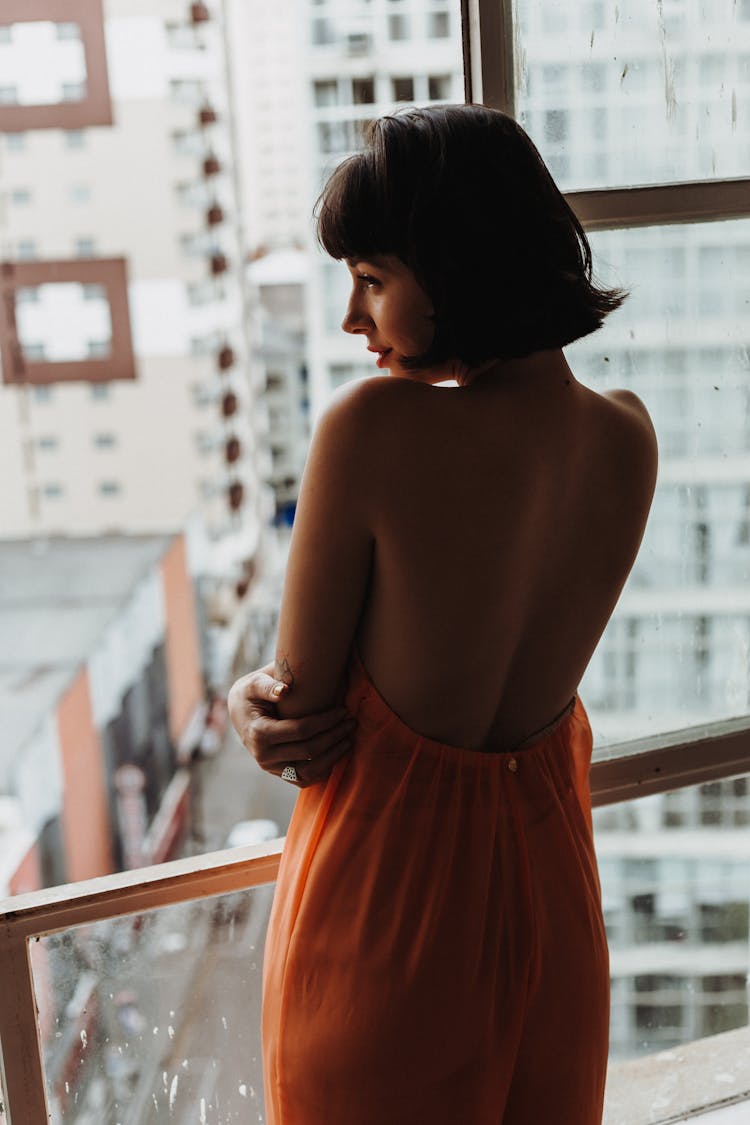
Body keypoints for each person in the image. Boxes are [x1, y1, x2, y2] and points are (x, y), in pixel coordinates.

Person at [228, 104, 657, 1125]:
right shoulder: (625, 438)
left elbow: (305, 721)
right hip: (548, 900)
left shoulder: (371, 432)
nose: (351, 319)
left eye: (372, 280)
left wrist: (251, 697)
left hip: (386, 915)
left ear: (458, 267)